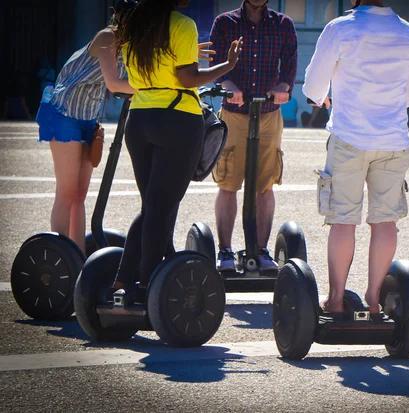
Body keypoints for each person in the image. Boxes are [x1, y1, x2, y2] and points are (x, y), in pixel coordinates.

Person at [110, 0, 242, 303]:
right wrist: (228, 66)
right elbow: (187, 78)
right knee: (160, 209)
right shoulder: (182, 25)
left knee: (153, 208)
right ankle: (146, 288)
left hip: (139, 118)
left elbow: (134, 78)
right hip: (177, 119)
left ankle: (121, 280)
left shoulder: (136, 26)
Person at [303, 0, 409, 315]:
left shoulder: (340, 28)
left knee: (343, 221)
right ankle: (373, 300)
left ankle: (336, 299)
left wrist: (321, 97)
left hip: (349, 138)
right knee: (385, 221)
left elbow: (314, 86)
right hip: (394, 140)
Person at [35, 0, 137, 253]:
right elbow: (114, 83)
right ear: (122, 16)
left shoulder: (132, 45)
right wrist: (159, 86)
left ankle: (77, 259)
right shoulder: (107, 37)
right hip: (64, 112)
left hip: (87, 117)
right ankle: (59, 257)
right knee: (67, 191)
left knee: (80, 195)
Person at [209, 0, 298, 272]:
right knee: (228, 181)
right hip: (235, 112)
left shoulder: (283, 24)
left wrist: (284, 85)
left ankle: (260, 250)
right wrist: (227, 84)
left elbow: (290, 63)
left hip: (269, 112)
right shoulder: (225, 22)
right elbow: (215, 62)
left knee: (265, 184)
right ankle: (224, 250)